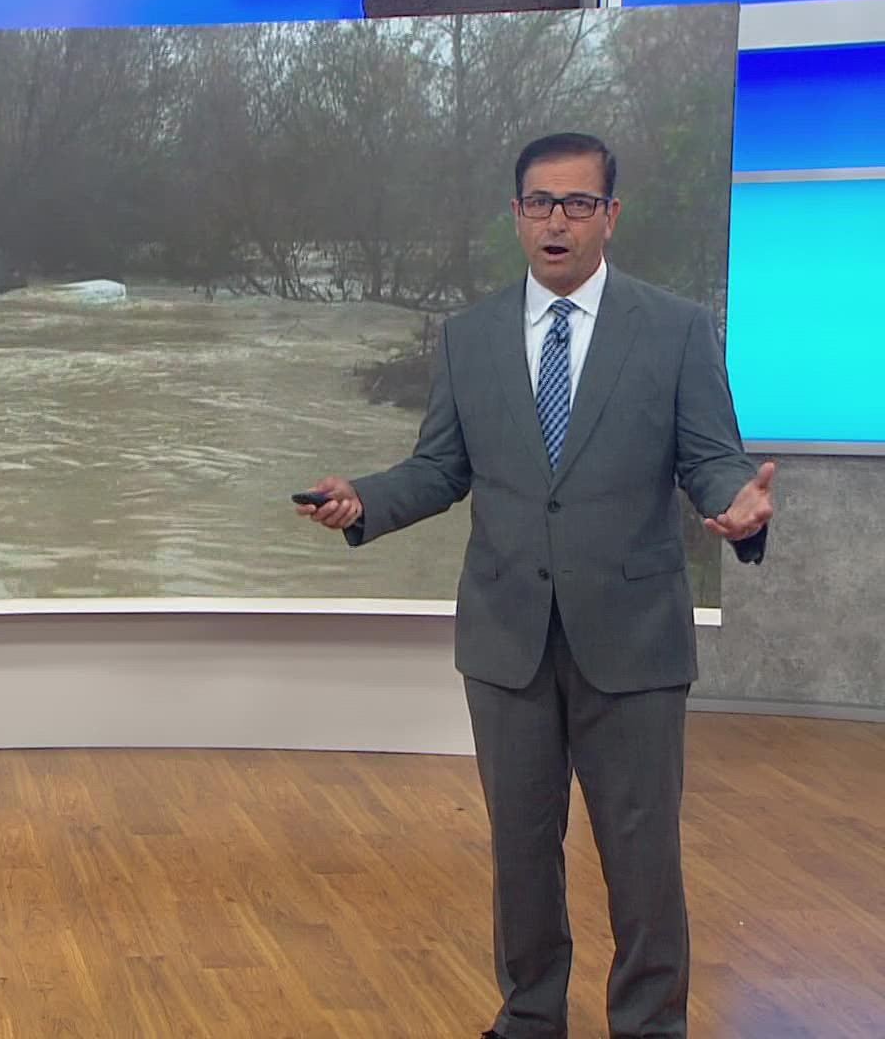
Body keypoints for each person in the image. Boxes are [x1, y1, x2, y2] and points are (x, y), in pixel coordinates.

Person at [295, 133, 773, 1039]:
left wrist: (737, 507)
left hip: (633, 639)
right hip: (508, 636)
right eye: (541, 204)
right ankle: (529, 1016)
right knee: (521, 849)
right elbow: (441, 468)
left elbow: (712, 459)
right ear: (516, 214)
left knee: (641, 855)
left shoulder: (673, 329)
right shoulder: (469, 336)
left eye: (578, 204)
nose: (558, 221)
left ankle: (648, 1024)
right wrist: (364, 500)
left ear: (610, 216)